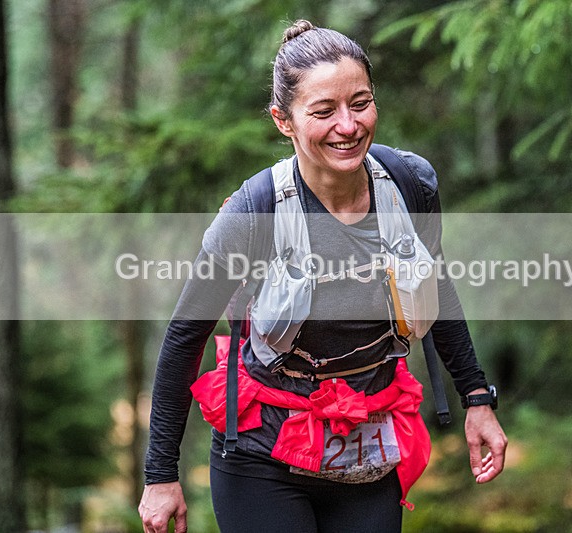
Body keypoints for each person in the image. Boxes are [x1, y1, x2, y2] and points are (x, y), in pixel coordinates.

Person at [138, 19, 507, 533]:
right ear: (283, 120)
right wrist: (160, 476)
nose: (349, 125)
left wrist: (476, 399)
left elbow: (436, 287)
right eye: (323, 110)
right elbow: (185, 335)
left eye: (360, 103)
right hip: (262, 458)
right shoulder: (253, 213)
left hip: (365, 452)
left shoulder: (409, 186)